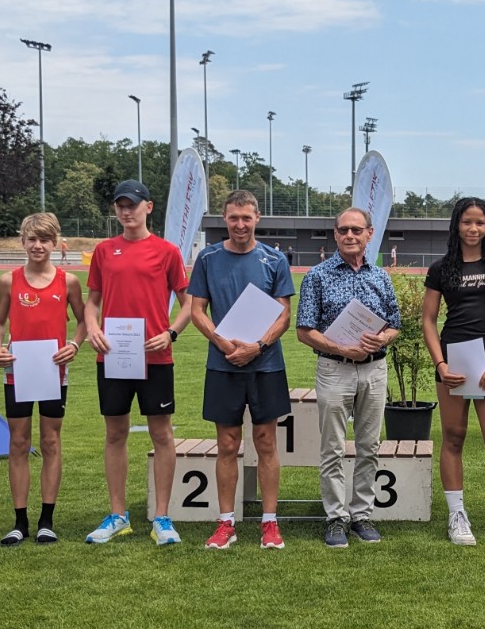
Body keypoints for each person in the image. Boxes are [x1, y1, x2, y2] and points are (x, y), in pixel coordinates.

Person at [84, 180, 191, 546]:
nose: (126, 211)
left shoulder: (167, 252)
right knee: (115, 433)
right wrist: (93, 327)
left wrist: (171, 333)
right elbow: (92, 301)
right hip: (113, 355)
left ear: (149, 206)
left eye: (132, 204)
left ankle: (162, 517)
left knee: (162, 434)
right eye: (120, 205)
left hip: (155, 356)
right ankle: (118, 515)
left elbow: (188, 304)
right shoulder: (103, 251)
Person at [189, 190, 295, 551]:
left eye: (246, 218)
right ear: (224, 218)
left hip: (266, 364)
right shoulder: (208, 258)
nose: (240, 225)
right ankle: (226, 523)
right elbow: (197, 310)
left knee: (266, 441)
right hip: (223, 364)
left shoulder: (274, 259)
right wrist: (223, 343)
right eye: (233, 218)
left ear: (257, 218)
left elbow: (284, 315)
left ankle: (270, 522)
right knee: (227, 443)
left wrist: (258, 346)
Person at [296, 207, 402, 549]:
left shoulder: (381, 277)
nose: (350, 235)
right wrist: (341, 348)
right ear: (335, 234)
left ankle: (361, 515)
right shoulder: (317, 276)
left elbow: (395, 324)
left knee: (369, 446)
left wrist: (382, 338)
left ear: (369, 234)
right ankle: (335, 518)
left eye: (357, 230)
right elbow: (304, 331)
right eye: (344, 230)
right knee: (332, 447)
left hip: (374, 369)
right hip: (334, 369)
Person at [423, 197, 485, 545]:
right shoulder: (441, 269)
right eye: (467, 222)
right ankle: (457, 516)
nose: (473, 228)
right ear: (457, 225)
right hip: (454, 362)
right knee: (453, 438)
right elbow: (428, 320)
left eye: (480, 222)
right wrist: (440, 364)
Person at [0, 213, 86, 546]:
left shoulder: (68, 282)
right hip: (18, 370)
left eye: (44, 239)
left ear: (55, 243)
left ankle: (47, 520)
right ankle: (20, 522)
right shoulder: (8, 280)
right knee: (18, 443)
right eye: (32, 239)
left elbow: (83, 321)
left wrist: (74, 345)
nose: (38, 245)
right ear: (23, 242)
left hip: (53, 371)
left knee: (50, 442)